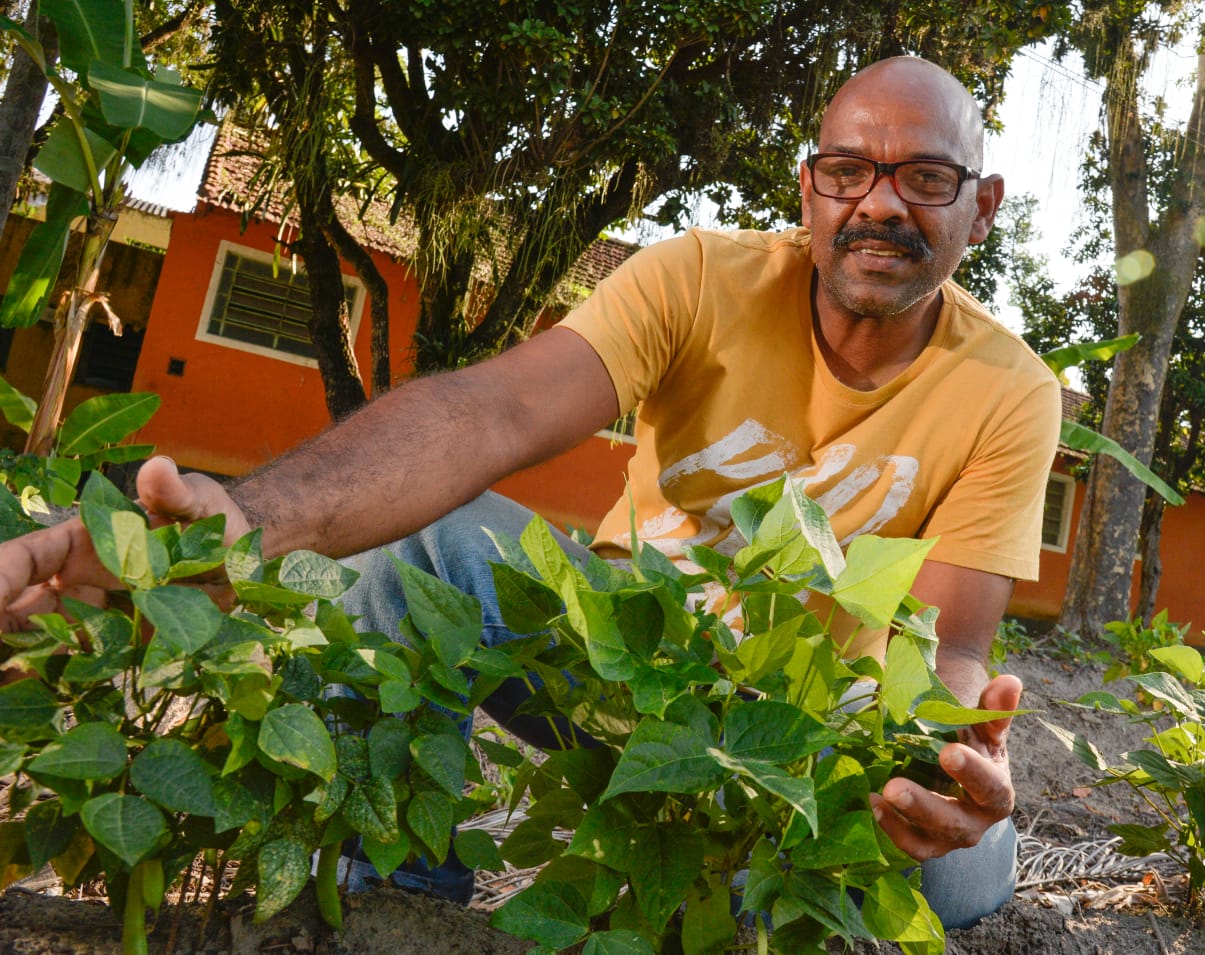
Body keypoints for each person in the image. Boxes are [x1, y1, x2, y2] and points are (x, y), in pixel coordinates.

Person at [0, 56, 1060, 929]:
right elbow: (488, 414)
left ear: (983, 206)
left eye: (926, 177)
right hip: (620, 680)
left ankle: (743, 872)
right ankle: (396, 907)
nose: (879, 202)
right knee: (429, 539)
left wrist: (947, 757)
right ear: (808, 188)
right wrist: (238, 525)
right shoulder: (701, 279)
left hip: (806, 745)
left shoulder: (1009, 389)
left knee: (961, 877)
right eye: (847, 170)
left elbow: (947, 640)